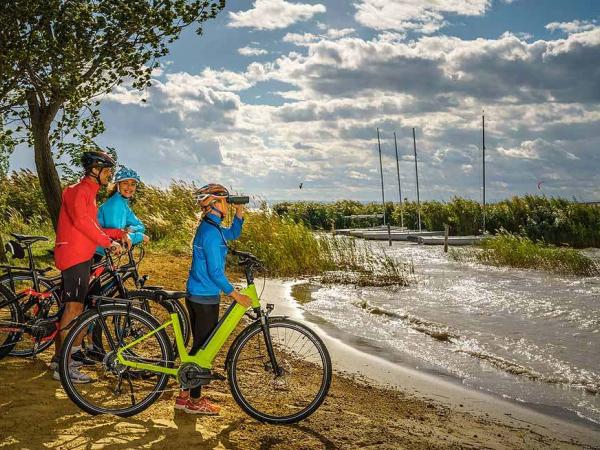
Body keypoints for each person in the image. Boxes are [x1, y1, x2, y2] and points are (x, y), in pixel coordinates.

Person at [174, 183, 252, 415]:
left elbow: (233, 233)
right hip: (205, 296)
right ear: (215, 204)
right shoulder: (210, 233)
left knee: (198, 345)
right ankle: (195, 403)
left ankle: (183, 396)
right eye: (226, 201)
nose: (228, 204)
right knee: (203, 349)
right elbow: (216, 272)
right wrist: (235, 295)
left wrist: (239, 213)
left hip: (198, 292)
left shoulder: (211, 226)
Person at [51, 150, 127, 383]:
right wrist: (108, 243)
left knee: (77, 309)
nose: (110, 175)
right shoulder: (78, 191)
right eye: (107, 171)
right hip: (74, 255)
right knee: (73, 309)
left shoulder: (89, 193)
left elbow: (93, 224)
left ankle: (64, 359)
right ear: (95, 170)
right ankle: (64, 366)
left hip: (82, 255)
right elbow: (82, 222)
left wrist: (117, 234)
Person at [96, 166, 150, 256]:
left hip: (105, 252)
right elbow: (116, 237)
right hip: (96, 252)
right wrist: (139, 236)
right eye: (125, 183)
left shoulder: (123, 204)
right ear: (118, 185)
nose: (129, 187)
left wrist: (131, 229)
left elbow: (141, 226)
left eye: (133, 184)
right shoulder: (115, 204)